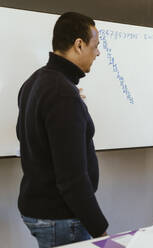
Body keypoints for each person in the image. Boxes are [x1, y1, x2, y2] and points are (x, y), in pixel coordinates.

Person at [16, 12, 108, 247]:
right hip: (60, 219)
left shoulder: (35, 82)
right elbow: (72, 178)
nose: (97, 53)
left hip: (40, 210)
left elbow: (27, 138)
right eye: (95, 46)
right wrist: (101, 230)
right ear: (79, 45)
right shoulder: (63, 94)